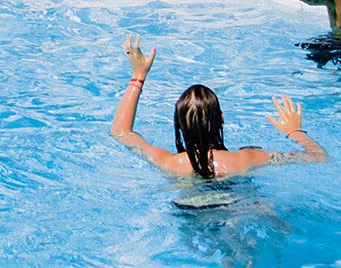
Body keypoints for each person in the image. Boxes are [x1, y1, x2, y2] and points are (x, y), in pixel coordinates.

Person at [111, 34, 326, 178]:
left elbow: (120, 132)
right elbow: (318, 157)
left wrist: (138, 76)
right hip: (238, 207)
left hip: (191, 212)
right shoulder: (248, 158)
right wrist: (295, 131)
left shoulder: (170, 163)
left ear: (178, 125)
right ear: (221, 118)